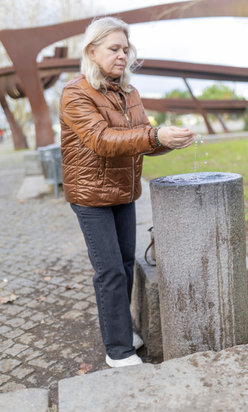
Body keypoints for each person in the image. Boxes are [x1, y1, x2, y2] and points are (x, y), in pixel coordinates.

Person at [60, 17, 194, 368]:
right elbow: (102, 141)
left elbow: (140, 141)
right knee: (109, 271)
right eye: (113, 49)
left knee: (125, 264)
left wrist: (168, 141)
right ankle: (117, 350)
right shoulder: (75, 93)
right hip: (90, 196)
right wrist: (154, 137)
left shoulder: (129, 94)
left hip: (123, 190)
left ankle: (122, 329)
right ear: (91, 51)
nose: (122, 55)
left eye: (125, 49)